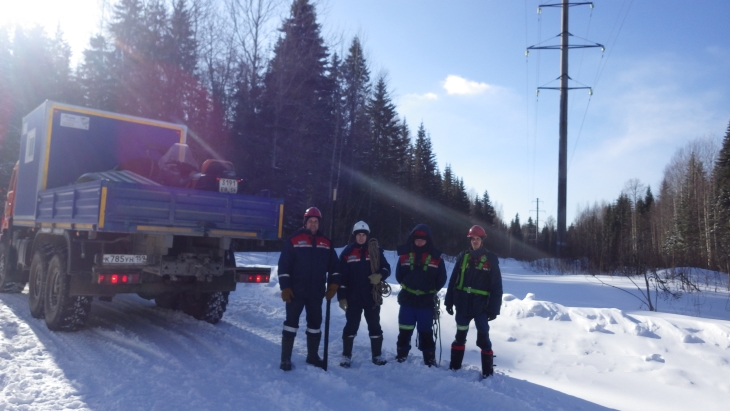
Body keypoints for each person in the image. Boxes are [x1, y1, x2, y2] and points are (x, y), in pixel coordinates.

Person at [277, 207, 340, 371]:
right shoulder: (293, 240)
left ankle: (312, 356)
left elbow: (335, 267)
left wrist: (333, 284)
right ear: (305, 222)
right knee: (291, 324)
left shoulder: (326, 243)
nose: (313, 224)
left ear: (319, 223)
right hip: (295, 292)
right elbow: (284, 266)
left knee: (315, 324)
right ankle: (285, 359)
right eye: (310, 221)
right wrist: (285, 287)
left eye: (316, 221)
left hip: (316, 292)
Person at [444, 225, 503, 378]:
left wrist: (494, 309)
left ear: (482, 240)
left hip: (481, 306)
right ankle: (454, 368)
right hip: (462, 303)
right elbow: (453, 280)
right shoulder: (462, 257)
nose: (475, 241)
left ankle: (488, 373)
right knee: (460, 336)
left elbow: (497, 286)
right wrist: (448, 301)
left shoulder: (490, 259)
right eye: (473, 239)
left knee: (484, 338)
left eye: (478, 239)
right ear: (470, 240)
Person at [337, 221, 391, 368]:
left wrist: (380, 275)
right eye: (358, 235)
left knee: (374, 325)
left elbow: (387, 268)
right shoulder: (347, 253)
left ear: (367, 236)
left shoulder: (375, 251)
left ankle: (377, 355)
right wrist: (341, 297)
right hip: (353, 297)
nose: (361, 238)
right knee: (351, 326)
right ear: (354, 236)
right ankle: (346, 356)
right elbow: (341, 277)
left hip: (371, 296)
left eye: (364, 235)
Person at [394, 224, 447, 367]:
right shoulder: (404, 256)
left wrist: (430, 290)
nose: (419, 242)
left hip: (426, 301)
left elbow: (442, 278)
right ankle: (401, 356)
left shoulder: (437, 258)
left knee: (426, 331)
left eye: (422, 239)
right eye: (416, 239)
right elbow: (399, 275)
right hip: (407, 299)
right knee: (404, 329)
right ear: (412, 239)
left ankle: (429, 359)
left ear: (427, 240)